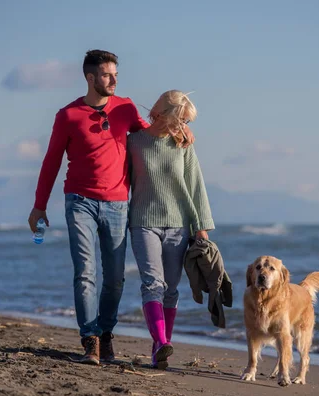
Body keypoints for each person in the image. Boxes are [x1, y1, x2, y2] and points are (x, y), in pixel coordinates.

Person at [27, 51, 194, 365]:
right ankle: (90, 341)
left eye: (116, 74)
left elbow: (150, 135)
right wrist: (38, 206)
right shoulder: (68, 115)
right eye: (107, 75)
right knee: (85, 273)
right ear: (90, 78)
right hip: (80, 202)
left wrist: (179, 129)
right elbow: (51, 162)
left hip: (118, 205)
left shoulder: (126, 107)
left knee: (115, 278)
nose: (114, 80)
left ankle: (105, 333)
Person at [127, 90, 214, 369]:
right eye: (182, 119)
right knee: (153, 284)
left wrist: (201, 227)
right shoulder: (134, 142)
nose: (184, 126)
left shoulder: (183, 145)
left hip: (178, 225)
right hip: (143, 222)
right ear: (164, 113)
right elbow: (121, 182)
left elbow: (196, 185)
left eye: (187, 121)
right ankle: (162, 342)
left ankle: (158, 347)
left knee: (172, 289)